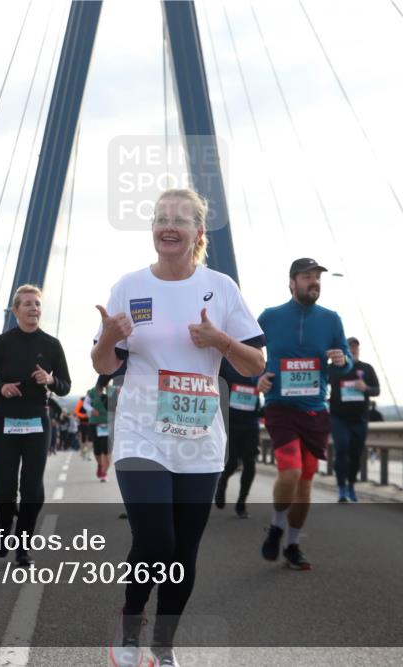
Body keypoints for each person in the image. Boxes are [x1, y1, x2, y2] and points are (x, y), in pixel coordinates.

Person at [93, 188, 265, 667]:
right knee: (156, 540)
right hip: (140, 432)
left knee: (183, 552)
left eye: (179, 219)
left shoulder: (222, 287)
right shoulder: (129, 286)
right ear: (152, 229)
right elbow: (104, 365)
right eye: (160, 218)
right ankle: (130, 626)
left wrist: (221, 339)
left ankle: (162, 646)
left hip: (198, 438)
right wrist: (108, 337)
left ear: (198, 233)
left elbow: (254, 365)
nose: (168, 226)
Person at [257, 257, 352, 570]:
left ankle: (292, 544)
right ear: (292, 282)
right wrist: (256, 377)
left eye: (317, 278)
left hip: (314, 411)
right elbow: (248, 354)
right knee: (291, 471)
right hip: (280, 407)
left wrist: (342, 359)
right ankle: (275, 525)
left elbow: (347, 360)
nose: (314, 282)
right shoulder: (269, 317)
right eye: (307, 276)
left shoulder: (331, 319)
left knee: (305, 483)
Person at [0, 284, 71, 567]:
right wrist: (0, 388)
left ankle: (23, 544)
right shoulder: (1, 343)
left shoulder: (51, 345)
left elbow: (66, 386)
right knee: (4, 489)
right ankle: (5, 526)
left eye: (37, 304)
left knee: (33, 490)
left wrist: (51, 381)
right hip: (5, 420)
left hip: (37, 422)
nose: (34, 309)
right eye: (27, 304)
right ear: (15, 310)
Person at [328, 337, 380, 503]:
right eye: (350, 347)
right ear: (344, 349)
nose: (353, 349)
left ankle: (351, 484)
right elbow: (321, 382)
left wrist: (366, 388)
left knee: (356, 454)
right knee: (342, 449)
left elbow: (377, 390)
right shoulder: (334, 369)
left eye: (356, 347)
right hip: (339, 418)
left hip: (359, 419)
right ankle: (341, 488)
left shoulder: (367, 368)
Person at [214, 358, 262, 518]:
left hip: (251, 424)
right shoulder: (226, 363)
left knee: (250, 463)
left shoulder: (260, 365)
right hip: (230, 423)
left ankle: (241, 503)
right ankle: (221, 484)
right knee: (231, 463)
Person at [86, 376, 113, 481]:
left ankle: (104, 472)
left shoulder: (111, 391)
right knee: (97, 449)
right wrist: (91, 409)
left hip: (108, 424)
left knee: (107, 450)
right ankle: (100, 465)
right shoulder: (92, 392)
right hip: (95, 424)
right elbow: (86, 404)